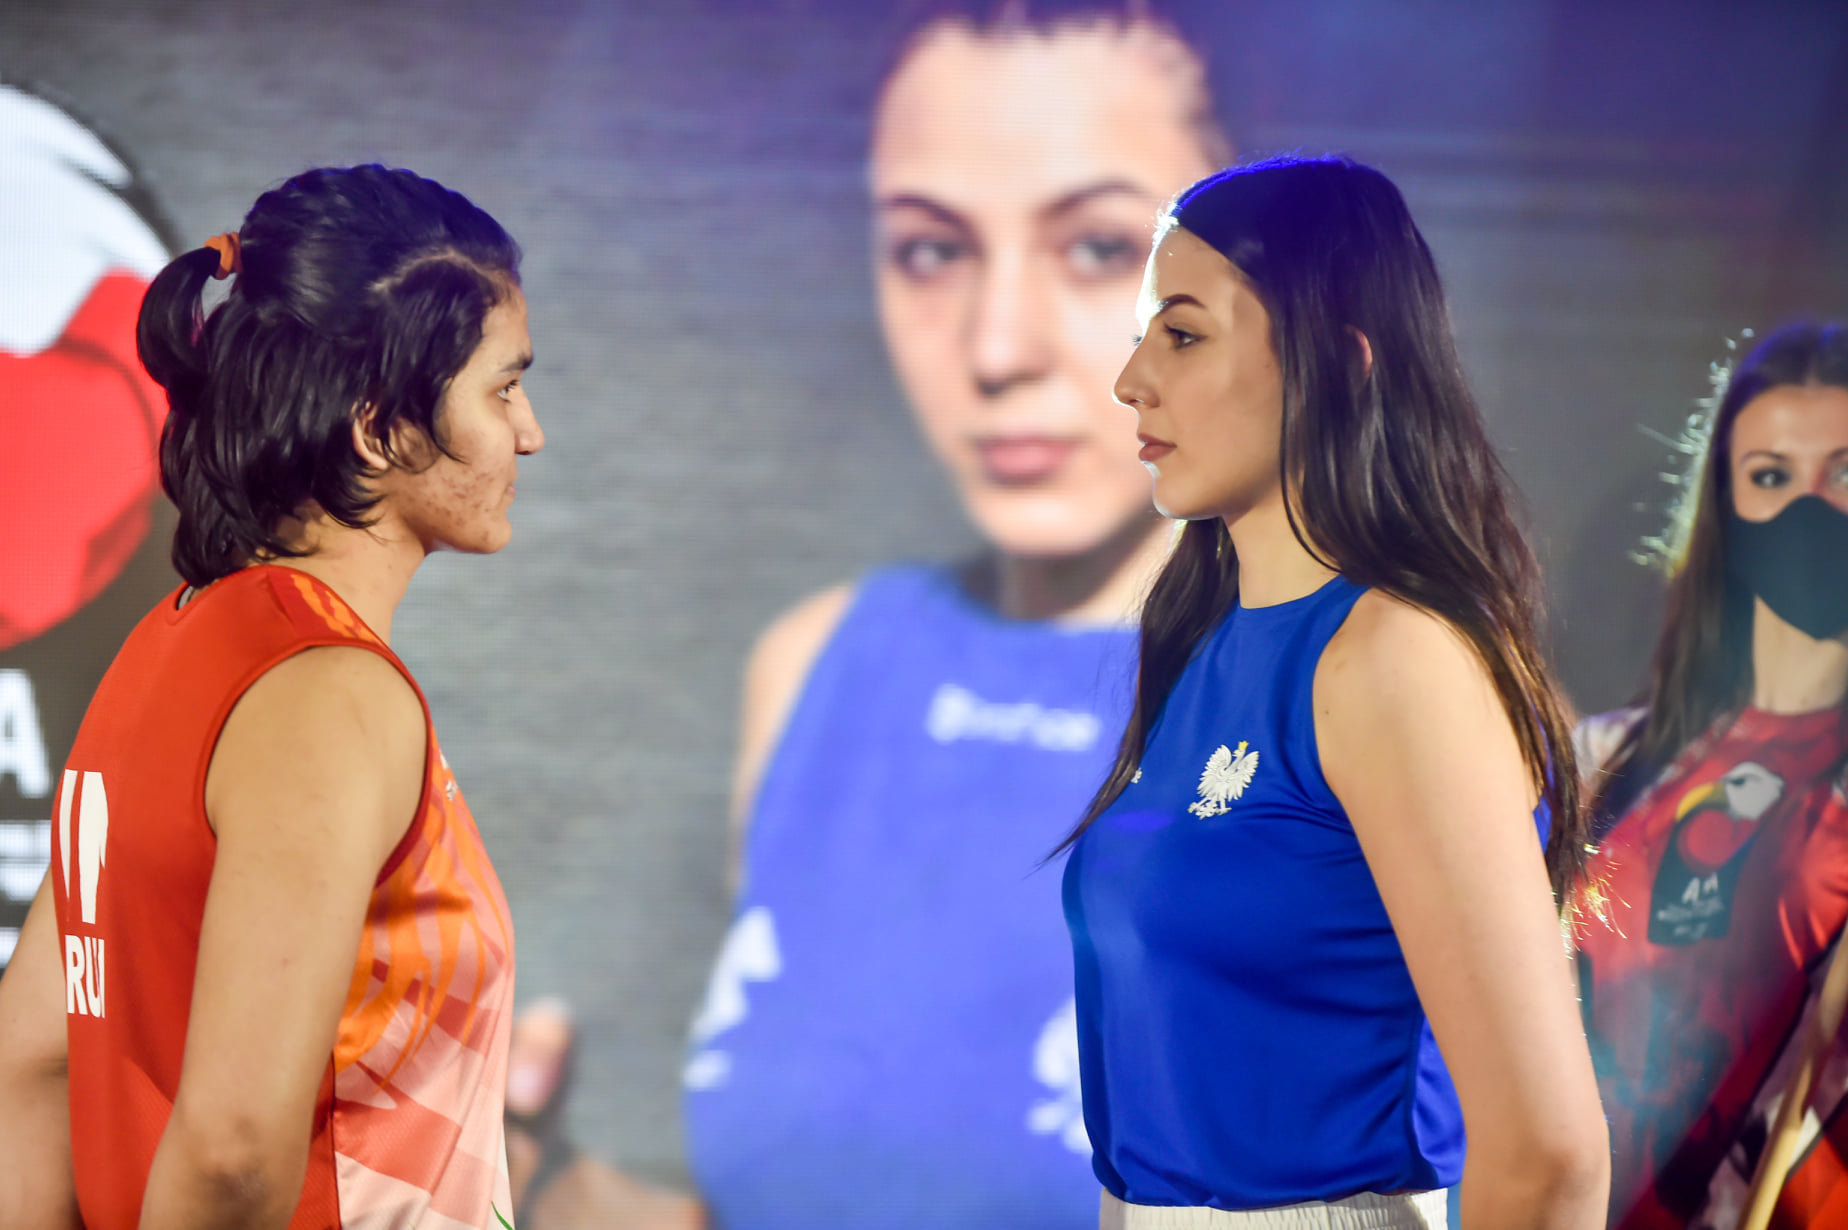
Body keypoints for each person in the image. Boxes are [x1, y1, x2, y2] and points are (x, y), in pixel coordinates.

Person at [503, 3, 1223, 1228]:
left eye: (1103, 247)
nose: (997, 348)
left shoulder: (1361, 694)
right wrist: (514, 1167)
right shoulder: (821, 662)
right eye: (932, 250)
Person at [1061, 155, 1611, 1229]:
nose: (1131, 381)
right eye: (1141, 336)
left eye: (1183, 335)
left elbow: (1548, 1155)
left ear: (1343, 364)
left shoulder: (1396, 658)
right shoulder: (1203, 644)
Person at [0, 163, 542, 1230]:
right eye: (503, 388)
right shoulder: (331, 695)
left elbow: (30, 1058)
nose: (529, 432)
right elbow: (235, 1150)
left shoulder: (164, 648)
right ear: (381, 428)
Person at [1575, 322, 1848, 1229]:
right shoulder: (1603, 760)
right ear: (1725, 506)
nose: (1811, 510)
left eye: (1844, 473)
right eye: (1771, 477)